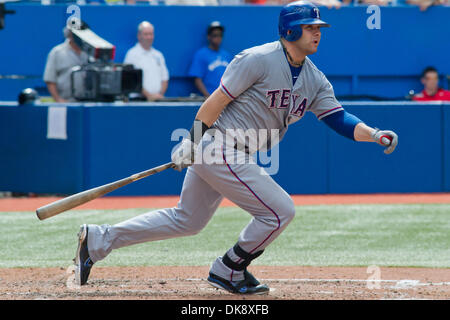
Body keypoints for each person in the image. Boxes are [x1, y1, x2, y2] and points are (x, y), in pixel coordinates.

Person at [73, 1, 398, 294]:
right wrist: (192, 140)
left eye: (318, 28)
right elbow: (216, 100)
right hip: (220, 145)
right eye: (311, 27)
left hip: (236, 152)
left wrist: (374, 133)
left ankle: (99, 240)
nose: (317, 33)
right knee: (279, 211)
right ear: (290, 29)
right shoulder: (257, 59)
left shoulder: (315, 79)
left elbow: (338, 119)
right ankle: (228, 269)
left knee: (188, 220)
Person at [124, 21, 169, 101]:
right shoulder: (132, 54)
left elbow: (164, 78)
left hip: (158, 100)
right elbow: (131, 79)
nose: (149, 37)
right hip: (138, 100)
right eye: (146, 34)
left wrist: (159, 95)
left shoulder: (158, 55)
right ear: (139, 36)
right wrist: (149, 96)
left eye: (151, 34)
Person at [43, 26, 89, 103]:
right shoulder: (57, 52)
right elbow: (50, 79)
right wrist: (58, 99)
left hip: (87, 102)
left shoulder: (89, 52)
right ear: (69, 34)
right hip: (65, 101)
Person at [188, 21, 233, 98]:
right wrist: (208, 97)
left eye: (220, 35)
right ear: (208, 36)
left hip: (225, 98)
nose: (218, 38)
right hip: (209, 98)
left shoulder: (227, 55)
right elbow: (197, 79)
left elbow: (232, 77)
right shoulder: (201, 54)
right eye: (215, 35)